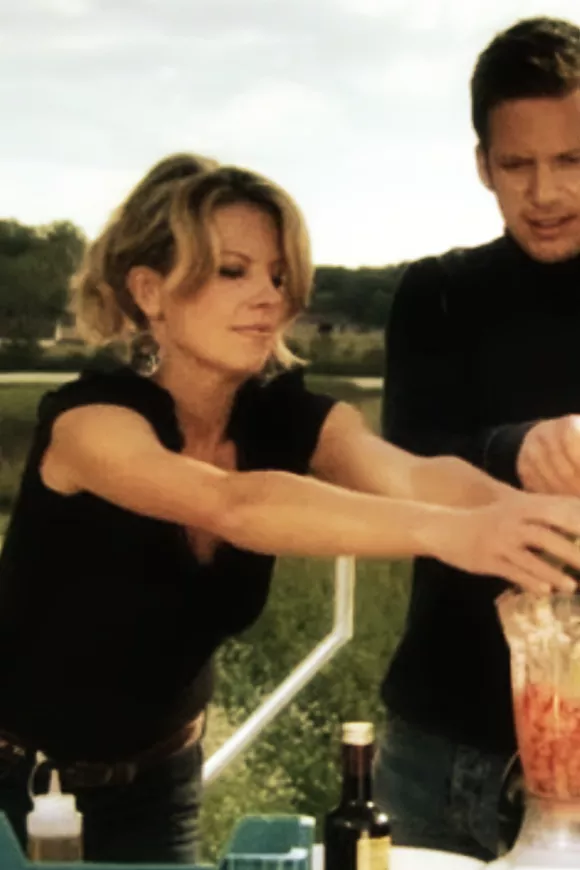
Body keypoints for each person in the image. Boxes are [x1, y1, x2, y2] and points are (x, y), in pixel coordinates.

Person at [0, 153, 578, 867]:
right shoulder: (91, 423)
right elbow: (234, 504)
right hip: (14, 787)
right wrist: (456, 535)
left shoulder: (282, 414)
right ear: (150, 291)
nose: (268, 298)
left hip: (160, 786)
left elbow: (414, 476)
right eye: (232, 271)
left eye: (278, 276)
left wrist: (542, 522)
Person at [373, 15, 580, 864]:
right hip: (432, 749)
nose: (545, 193)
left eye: (572, 160)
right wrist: (511, 450)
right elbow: (396, 467)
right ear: (483, 166)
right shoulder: (438, 294)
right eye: (517, 164)